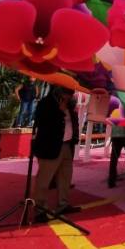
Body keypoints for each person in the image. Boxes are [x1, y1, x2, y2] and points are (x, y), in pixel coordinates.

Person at [32, 86, 80, 221]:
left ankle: (63, 204)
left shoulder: (70, 105)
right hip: (51, 146)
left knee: (65, 177)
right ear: (59, 92)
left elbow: (73, 123)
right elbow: (42, 121)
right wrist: (60, 109)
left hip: (66, 145)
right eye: (67, 93)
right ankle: (40, 209)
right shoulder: (47, 103)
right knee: (44, 179)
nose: (70, 96)